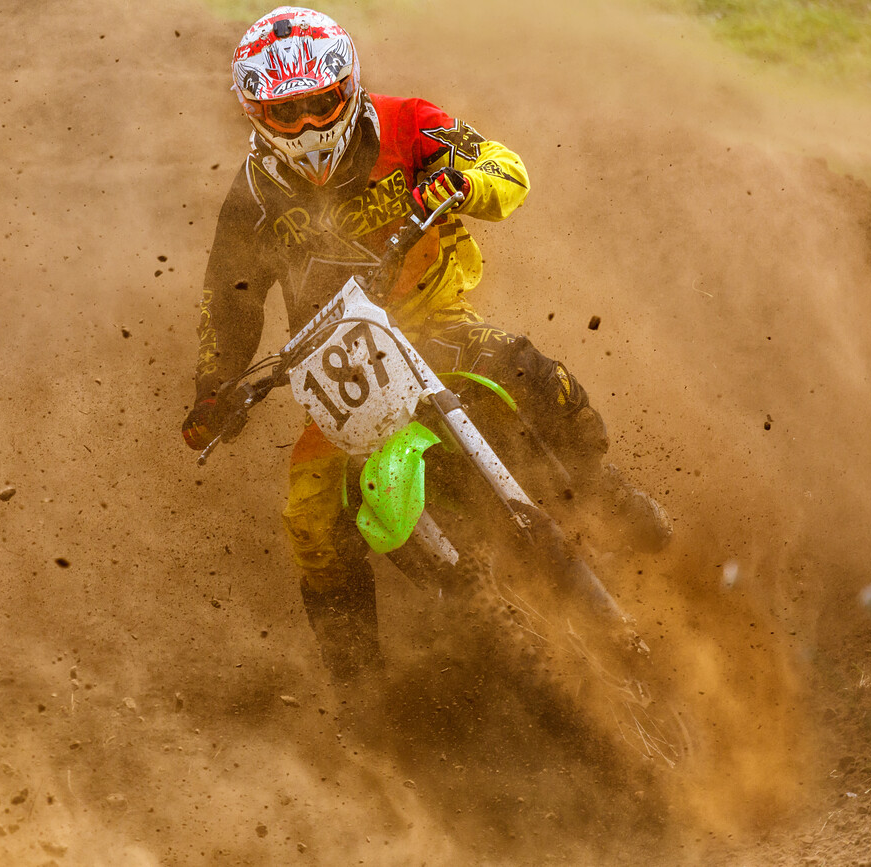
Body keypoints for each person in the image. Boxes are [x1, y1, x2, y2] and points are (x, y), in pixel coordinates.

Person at [181, 6, 670, 687]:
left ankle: (602, 487)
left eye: (322, 103)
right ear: (254, 114)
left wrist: (468, 183)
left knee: (515, 362)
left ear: (347, 89)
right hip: (336, 362)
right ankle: (360, 690)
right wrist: (215, 387)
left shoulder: (407, 123)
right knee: (310, 520)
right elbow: (228, 300)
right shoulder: (253, 198)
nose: (310, 126)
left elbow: (505, 167)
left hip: (429, 315)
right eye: (287, 113)